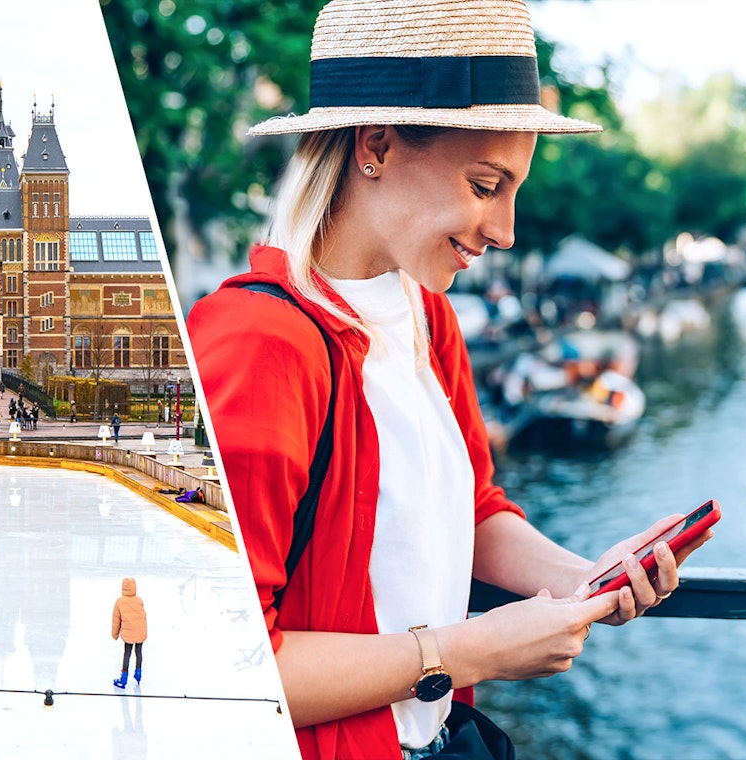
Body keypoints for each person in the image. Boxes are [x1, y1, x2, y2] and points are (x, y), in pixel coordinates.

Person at [184, 2, 714, 757]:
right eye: (485, 184)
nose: (506, 230)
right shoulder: (255, 345)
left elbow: (476, 510)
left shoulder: (428, 317)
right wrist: (471, 651)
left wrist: (584, 579)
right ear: (375, 146)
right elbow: (227, 659)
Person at [111, 577, 147, 688]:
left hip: (128, 632)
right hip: (140, 630)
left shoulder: (119, 602)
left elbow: (116, 620)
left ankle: (124, 677)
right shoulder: (139, 600)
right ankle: (138, 673)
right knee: (138, 652)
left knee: (127, 653)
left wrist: (115, 634)